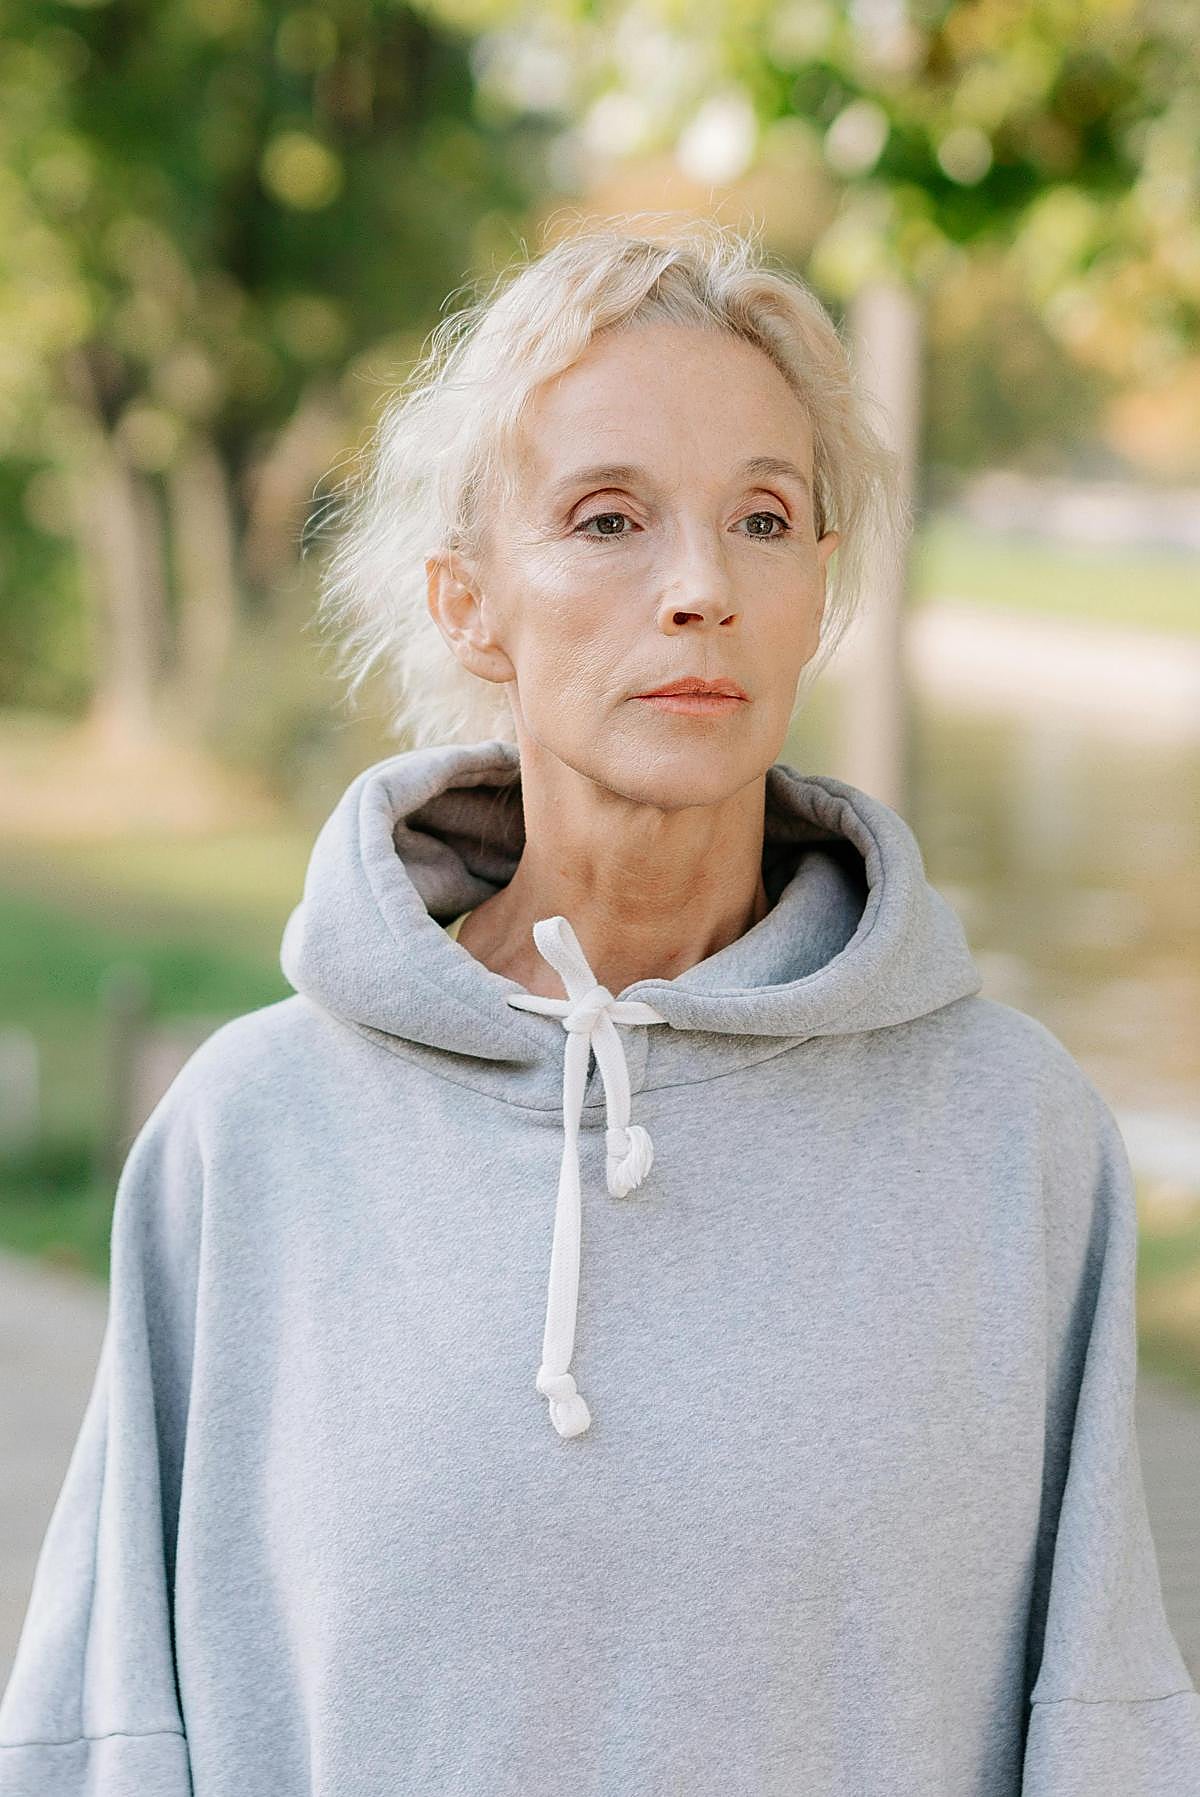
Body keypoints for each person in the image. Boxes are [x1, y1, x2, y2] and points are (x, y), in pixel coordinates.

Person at [2, 216, 1197, 1797]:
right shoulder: (251, 1135)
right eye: (610, 518)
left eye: (762, 518)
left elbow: (1106, 1731)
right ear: (470, 601)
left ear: (818, 586)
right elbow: (105, 1735)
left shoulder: (1013, 1136)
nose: (701, 587)